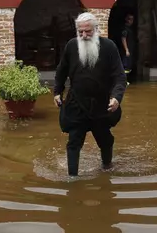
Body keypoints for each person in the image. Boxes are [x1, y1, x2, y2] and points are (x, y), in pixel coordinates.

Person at [54, 12, 127, 176]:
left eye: (88, 31)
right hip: (76, 103)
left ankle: (107, 167)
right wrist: (57, 91)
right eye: (80, 32)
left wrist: (116, 97)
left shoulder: (108, 46)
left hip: (101, 104)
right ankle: (72, 178)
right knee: (73, 142)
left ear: (96, 29)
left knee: (105, 140)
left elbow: (120, 76)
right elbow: (61, 70)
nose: (84, 35)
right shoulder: (72, 46)